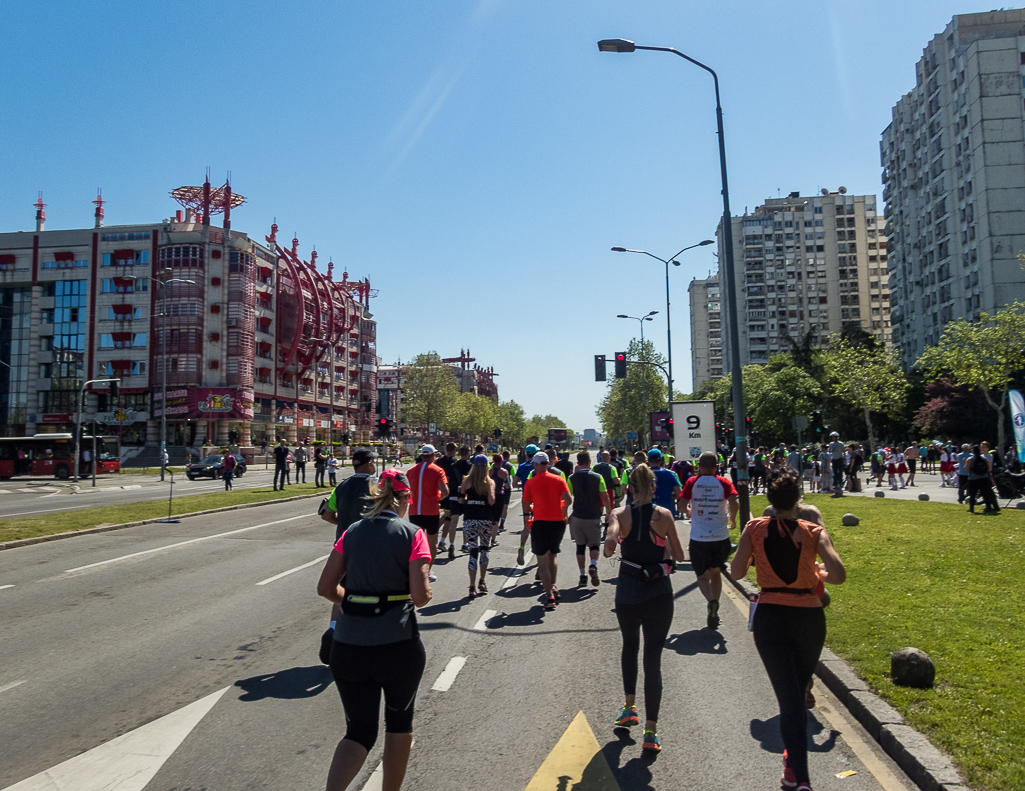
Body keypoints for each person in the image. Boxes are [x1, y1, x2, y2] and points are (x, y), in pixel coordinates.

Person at [316, 469, 432, 791]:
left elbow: (326, 587)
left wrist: (350, 599)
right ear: (406, 498)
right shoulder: (413, 534)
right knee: (398, 726)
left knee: (358, 733)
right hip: (397, 647)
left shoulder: (351, 531)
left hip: (349, 647)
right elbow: (420, 597)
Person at [731, 468, 845, 791]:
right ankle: (793, 767)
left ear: (770, 500)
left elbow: (737, 572)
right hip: (809, 618)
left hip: (771, 619)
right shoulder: (813, 530)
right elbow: (838, 574)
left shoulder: (754, 528)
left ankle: (801, 776)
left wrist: (756, 557)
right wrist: (819, 573)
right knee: (797, 692)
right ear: (798, 500)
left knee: (790, 700)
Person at [603, 463, 686, 755]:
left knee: (629, 647)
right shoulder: (663, 516)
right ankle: (651, 731)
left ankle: (629, 708)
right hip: (659, 595)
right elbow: (679, 554)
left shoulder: (619, 514)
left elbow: (610, 546)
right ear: (653, 487)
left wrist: (614, 539)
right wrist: (661, 550)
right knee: (653, 659)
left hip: (627, 593)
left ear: (630, 488)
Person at [318, 448, 378, 664]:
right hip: (369, 546)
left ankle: (333, 629)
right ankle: (364, 642)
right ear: (369, 463)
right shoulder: (376, 485)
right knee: (371, 593)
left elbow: (326, 515)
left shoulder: (341, 486)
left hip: (342, 546)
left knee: (341, 593)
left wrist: (343, 524)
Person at [679, 451, 739, 630]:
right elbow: (735, 501)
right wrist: (733, 518)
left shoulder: (692, 482)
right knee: (715, 573)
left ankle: (711, 601)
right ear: (717, 466)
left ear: (699, 466)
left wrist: (689, 511)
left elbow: (682, 505)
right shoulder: (724, 482)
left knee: (702, 577)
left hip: (699, 538)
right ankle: (715, 607)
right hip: (721, 537)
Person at [522, 451, 572, 611]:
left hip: (540, 522)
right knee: (553, 555)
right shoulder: (558, 479)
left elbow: (526, 505)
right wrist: (561, 509)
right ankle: (553, 584)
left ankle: (549, 595)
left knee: (542, 560)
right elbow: (568, 499)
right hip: (558, 522)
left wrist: (531, 511)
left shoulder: (531, 482)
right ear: (547, 464)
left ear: (536, 465)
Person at [406, 444, 449, 582]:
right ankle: (427, 572)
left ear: (421, 455)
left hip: (414, 511)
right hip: (431, 511)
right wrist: (437, 498)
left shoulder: (411, 470)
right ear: (433, 455)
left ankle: (413, 571)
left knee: (416, 543)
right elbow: (445, 492)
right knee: (432, 542)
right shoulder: (437, 470)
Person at [568, 450, 610, 587]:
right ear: (589, 462)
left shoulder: (572, 478)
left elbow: (567, 497)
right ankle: (593, 565)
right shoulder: (598, 477)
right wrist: (609, 512)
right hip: (593, 515)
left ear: (578, 463)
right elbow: (604, 497)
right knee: (594, 545)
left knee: (580, 546)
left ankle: (582, 575)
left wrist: (565, 513)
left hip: (578, 516)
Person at [459, 454, 496, 599]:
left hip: (470, 519)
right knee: (485, 550)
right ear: (487, 466)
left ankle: (472, 586)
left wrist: (469, 499)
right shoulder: (489, 482)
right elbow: (492, 501)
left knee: (473, 551)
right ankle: (482, 580)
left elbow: (461, 499)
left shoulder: (466, 481)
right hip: (485, 518)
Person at [513, 443, 540, 566]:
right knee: (539, 528)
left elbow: (514, 483)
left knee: (526, 526)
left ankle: (522, 547)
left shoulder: (522, 466)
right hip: (538, 500)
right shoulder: (538, 467)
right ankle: (538, 554)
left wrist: (522, 485)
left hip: (526, 500)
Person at [436, 443, 464, 559]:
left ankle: (439, 537)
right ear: (454, 450)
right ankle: (441, 539)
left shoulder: (439, 461)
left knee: (447, 516)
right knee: (450, 517)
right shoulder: (455, 463)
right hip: (451, 491)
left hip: (441, 491)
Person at [646, 449, 682, 518]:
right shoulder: (670, 474)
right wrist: (671, 496)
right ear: (661, 460)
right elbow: (679, 493)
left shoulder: (643, 474)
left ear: (648, 460)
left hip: (647, 512)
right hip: (667, 512)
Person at [967, 444, 1000, 514]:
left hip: (973, 478)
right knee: (986, 493)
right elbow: (988, 468)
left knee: (972, 494)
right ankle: (988, 507)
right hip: (984, 478)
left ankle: (971, 508)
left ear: (972, 451)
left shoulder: (970, 459)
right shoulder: (984, 459)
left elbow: (966, 468)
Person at [488, 453, 510, 548]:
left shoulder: (489, 471)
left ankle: (486, 537)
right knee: (496, 518)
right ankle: (493, 539)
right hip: (500, 495)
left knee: (489, 516)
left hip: (490, 494)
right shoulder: (504, 472)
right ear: (501, 461)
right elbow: (507, 485)